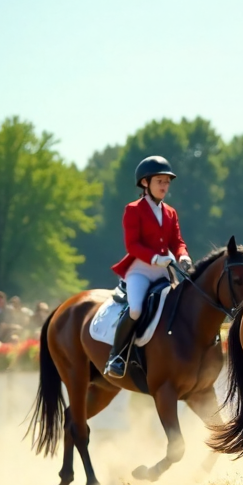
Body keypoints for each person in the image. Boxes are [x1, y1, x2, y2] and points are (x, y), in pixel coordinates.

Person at [106, 155, 193, 378]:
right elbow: (132, 245)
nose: (165, 186)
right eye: (160, 181)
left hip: (165, 271)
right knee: (135, 309)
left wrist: (183, 256)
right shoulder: (133, 209)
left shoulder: (171, 212)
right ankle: (116, 357)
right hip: (141, 270)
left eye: (167, 182)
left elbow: (177, 241)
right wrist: (155, 259)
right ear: (145, 183)